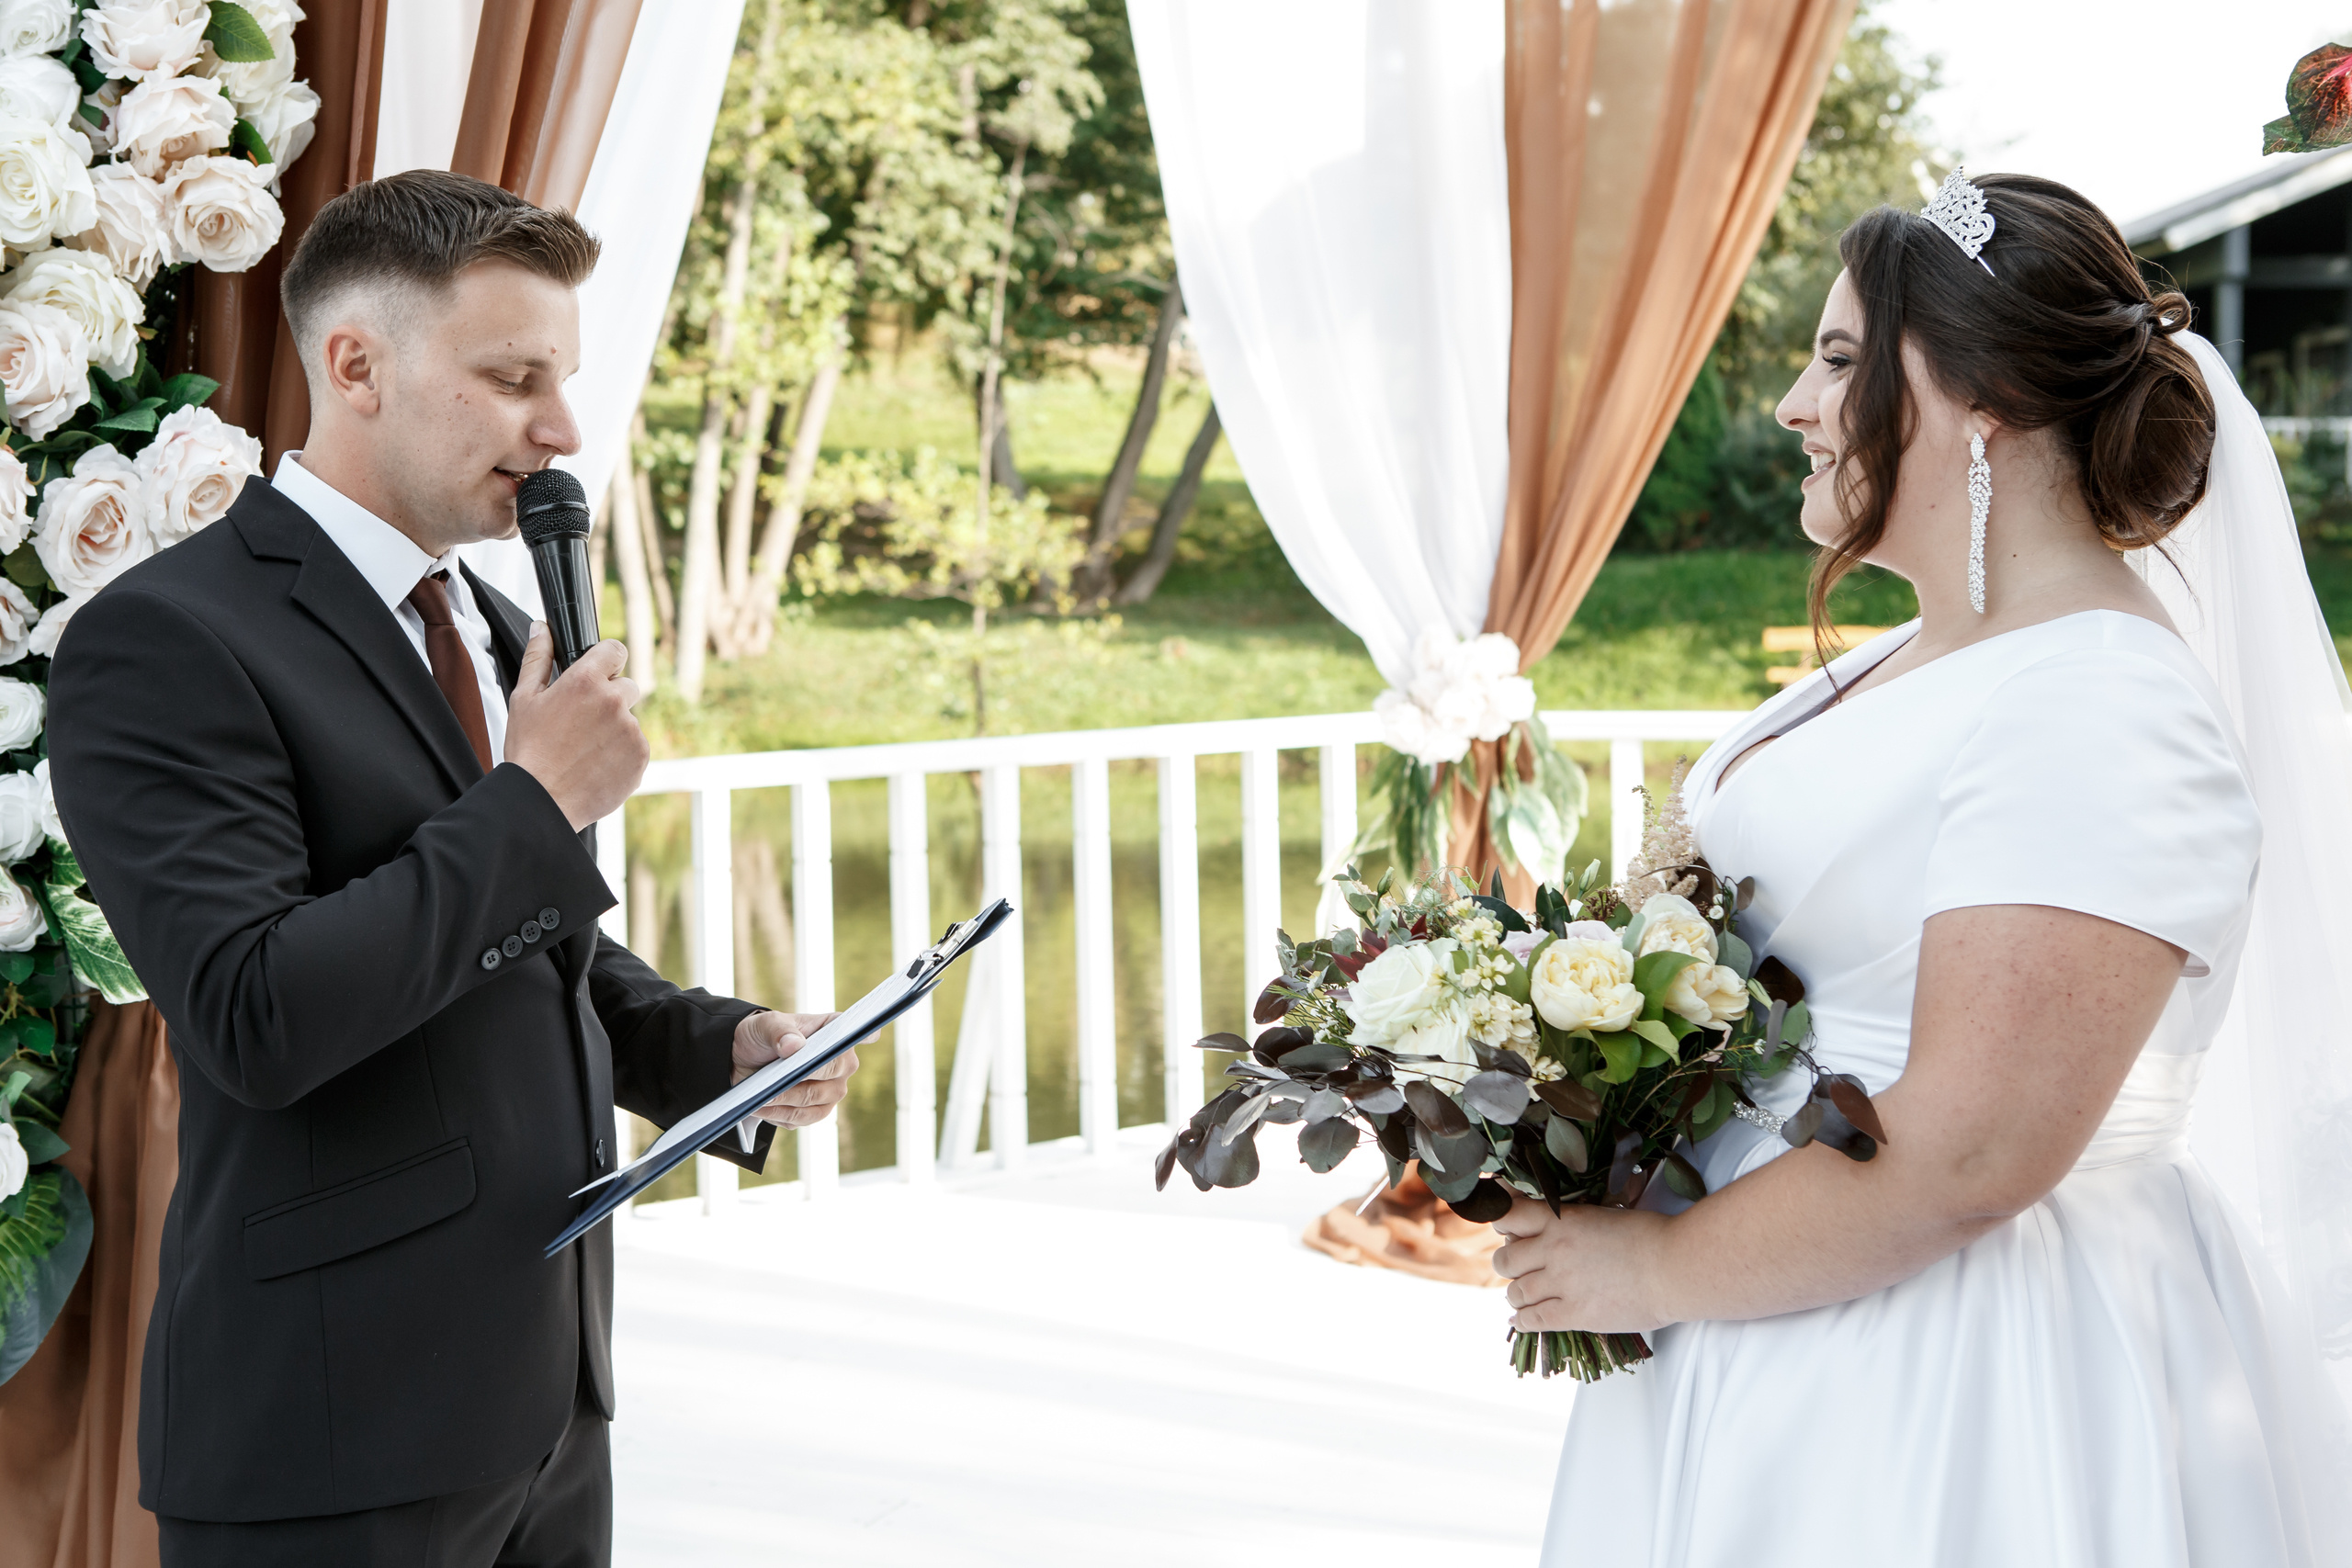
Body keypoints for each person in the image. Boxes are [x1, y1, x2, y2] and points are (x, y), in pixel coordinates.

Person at [1495, 172, 2352, 1566]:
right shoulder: (1934, 658)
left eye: (1839, 359)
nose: (1793, 402)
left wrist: (1649, 1266)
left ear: (1982, 407)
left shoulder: (2099, 705)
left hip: (1957, 1368)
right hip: (1776, 1320)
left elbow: (1972, 1152)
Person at [45, 170, 857, 1566]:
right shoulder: (163, 642)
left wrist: (719, 1051)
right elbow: (255, 1014)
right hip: (326, 1435)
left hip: (549, 1408)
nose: (560, 429)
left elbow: (532, 962)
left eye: (565, 377)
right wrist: (535, 800)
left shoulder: (491, 620)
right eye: (513, 376)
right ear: (356, 364)